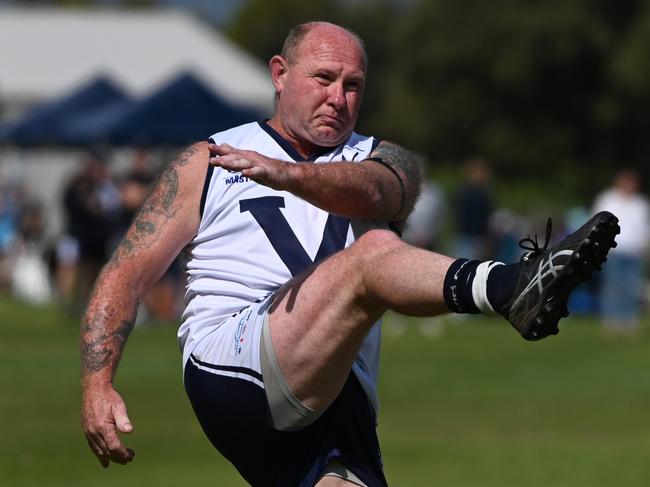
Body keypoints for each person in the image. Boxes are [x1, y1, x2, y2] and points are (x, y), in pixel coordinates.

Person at [80, 22, 620, 486]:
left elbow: (381, 191)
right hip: (232, 365)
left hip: (337, 394)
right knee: (372, 254)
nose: (338, 97)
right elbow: (125, 274)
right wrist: (97, 384)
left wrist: (291, 176)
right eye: (324, 78)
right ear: (279, 74)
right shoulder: (209, 159)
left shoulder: (388, 160)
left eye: (353, 84)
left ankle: (513, 289)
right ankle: (510, 288)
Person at [593, 169, 649, 336]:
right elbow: (597, 222)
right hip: (612, 250)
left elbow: (644, 227)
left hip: (634, 251)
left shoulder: (640, 203)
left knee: (631, 286)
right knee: (612, 285)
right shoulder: (607, 199)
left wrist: (645, 246)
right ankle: (612, 320)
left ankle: (628, 319)